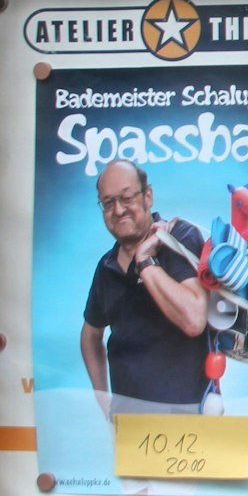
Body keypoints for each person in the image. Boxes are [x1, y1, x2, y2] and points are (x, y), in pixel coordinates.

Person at [80, 158, 209, 418]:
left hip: (189, 421)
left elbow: (194, 319)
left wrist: (145, 261)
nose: (118, 210)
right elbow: (90, 336)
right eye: (108, 203)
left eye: (127, 198)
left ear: (148, 196)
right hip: (130, 425)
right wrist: (104, 402)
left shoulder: (177, 238)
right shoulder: (106, 267)